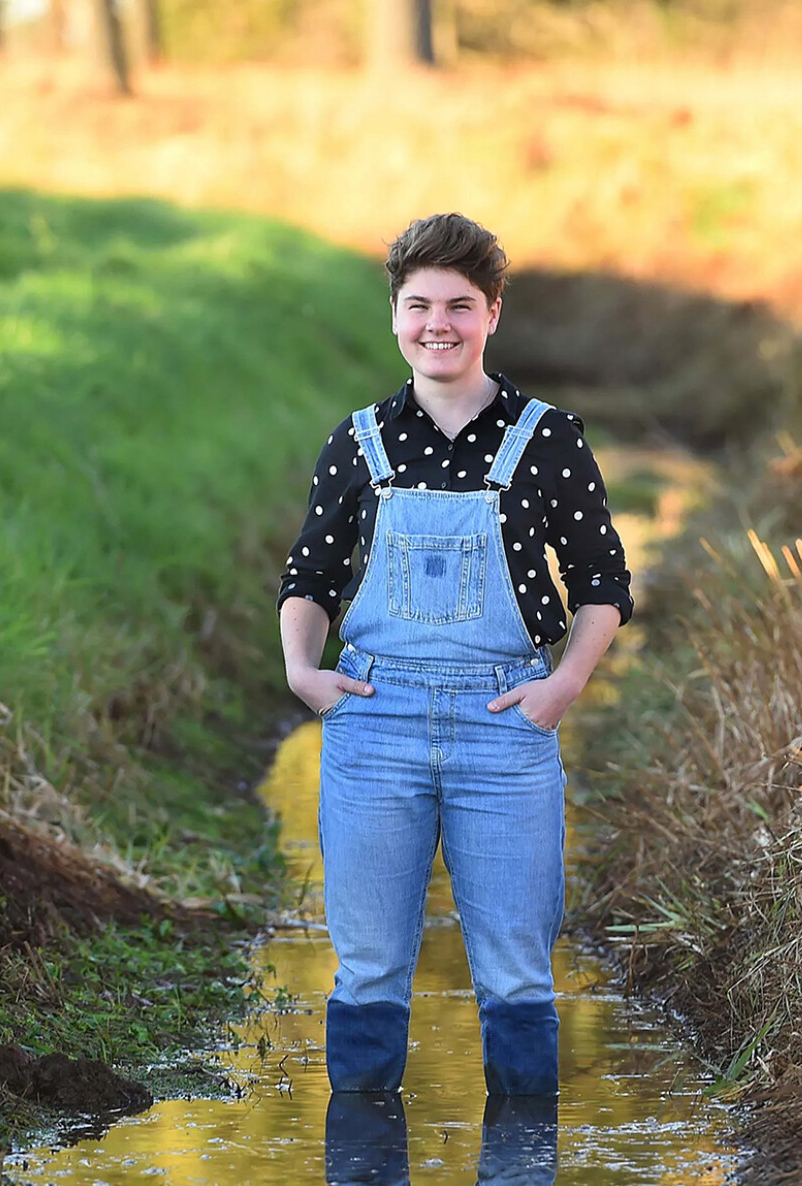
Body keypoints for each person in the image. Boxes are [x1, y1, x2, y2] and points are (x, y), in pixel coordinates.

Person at [278, 213, 632, 1096]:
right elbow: (310, 576)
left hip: (504, 728)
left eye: (460, 306)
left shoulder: (548, 437)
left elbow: (604, 582)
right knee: (366, 974)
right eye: (419, 304)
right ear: (394, 314)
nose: (438, 323)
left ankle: (521, 1184)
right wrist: (302, 672)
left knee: (517, 978)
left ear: (493, 314)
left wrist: (564, 686)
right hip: (374, 724)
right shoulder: (356, 440)